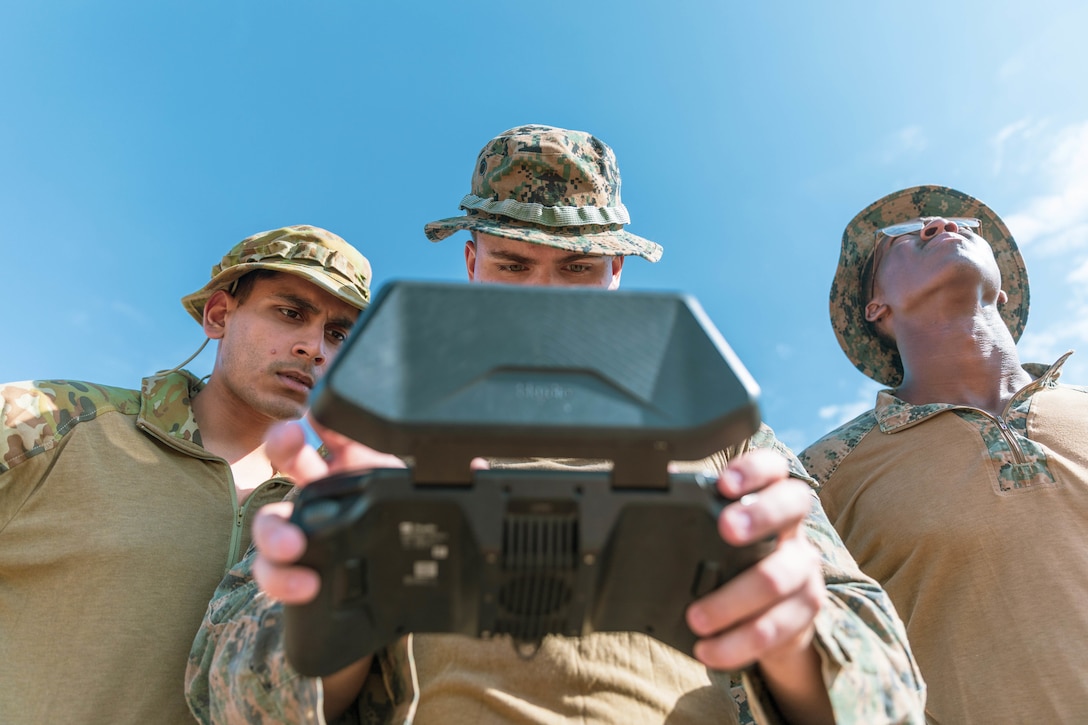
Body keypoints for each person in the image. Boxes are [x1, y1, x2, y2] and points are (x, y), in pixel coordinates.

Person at [186, 125, 926, 724]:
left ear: (614, 275)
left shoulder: (721, 438)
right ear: (472, 263)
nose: (543, 300)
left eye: (576, 270)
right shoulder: (375, 441)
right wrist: (338, 603)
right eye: (513, 265)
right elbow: (225, 694)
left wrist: (795, 632)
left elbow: (890, 690)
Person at [0, 225, 372, 724]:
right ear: (219, 315)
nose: (314, 348)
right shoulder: (48, 423)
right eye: (290, 313)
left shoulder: (332, 507)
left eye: (338, 334)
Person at [800, 185, 1088, 723]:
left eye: (966, 226)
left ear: (1002, 293)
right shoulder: (819, 479)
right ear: (874, 308)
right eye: (902, 237)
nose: (942, 225)